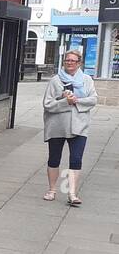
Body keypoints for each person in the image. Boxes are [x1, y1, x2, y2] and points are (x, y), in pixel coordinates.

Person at [43, 50, 96, 207]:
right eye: (67, 60)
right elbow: (47, 104)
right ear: (63, 62)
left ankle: (72, 193)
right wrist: (65, 102)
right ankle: (52, 190)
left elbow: (93, 99)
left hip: (79, 125)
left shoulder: (87, 80)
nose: (70, 63)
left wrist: (76, 100)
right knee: (54, 158)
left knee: (76, 159)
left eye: (73, 60)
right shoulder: (55, 80)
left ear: (79, 63)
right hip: (57, 126)